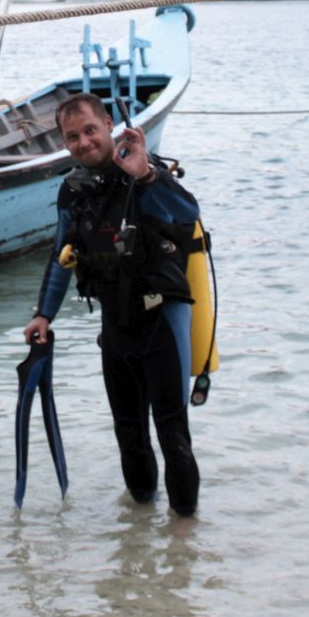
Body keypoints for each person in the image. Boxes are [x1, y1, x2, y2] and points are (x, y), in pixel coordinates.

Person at [23, 93, 203, 517]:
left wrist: (145, 176)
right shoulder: (74, 192)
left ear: (107, 124)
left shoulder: (143, 171)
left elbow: (187, 211)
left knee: (172, 432)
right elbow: (60, 255)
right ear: (64, 143)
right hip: (117, 326)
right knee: (129, 432)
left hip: (163, 319)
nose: (84, 142)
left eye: (90, 130)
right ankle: (138, 532)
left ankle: (183, 539)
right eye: (73, 137)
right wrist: (43, 313)